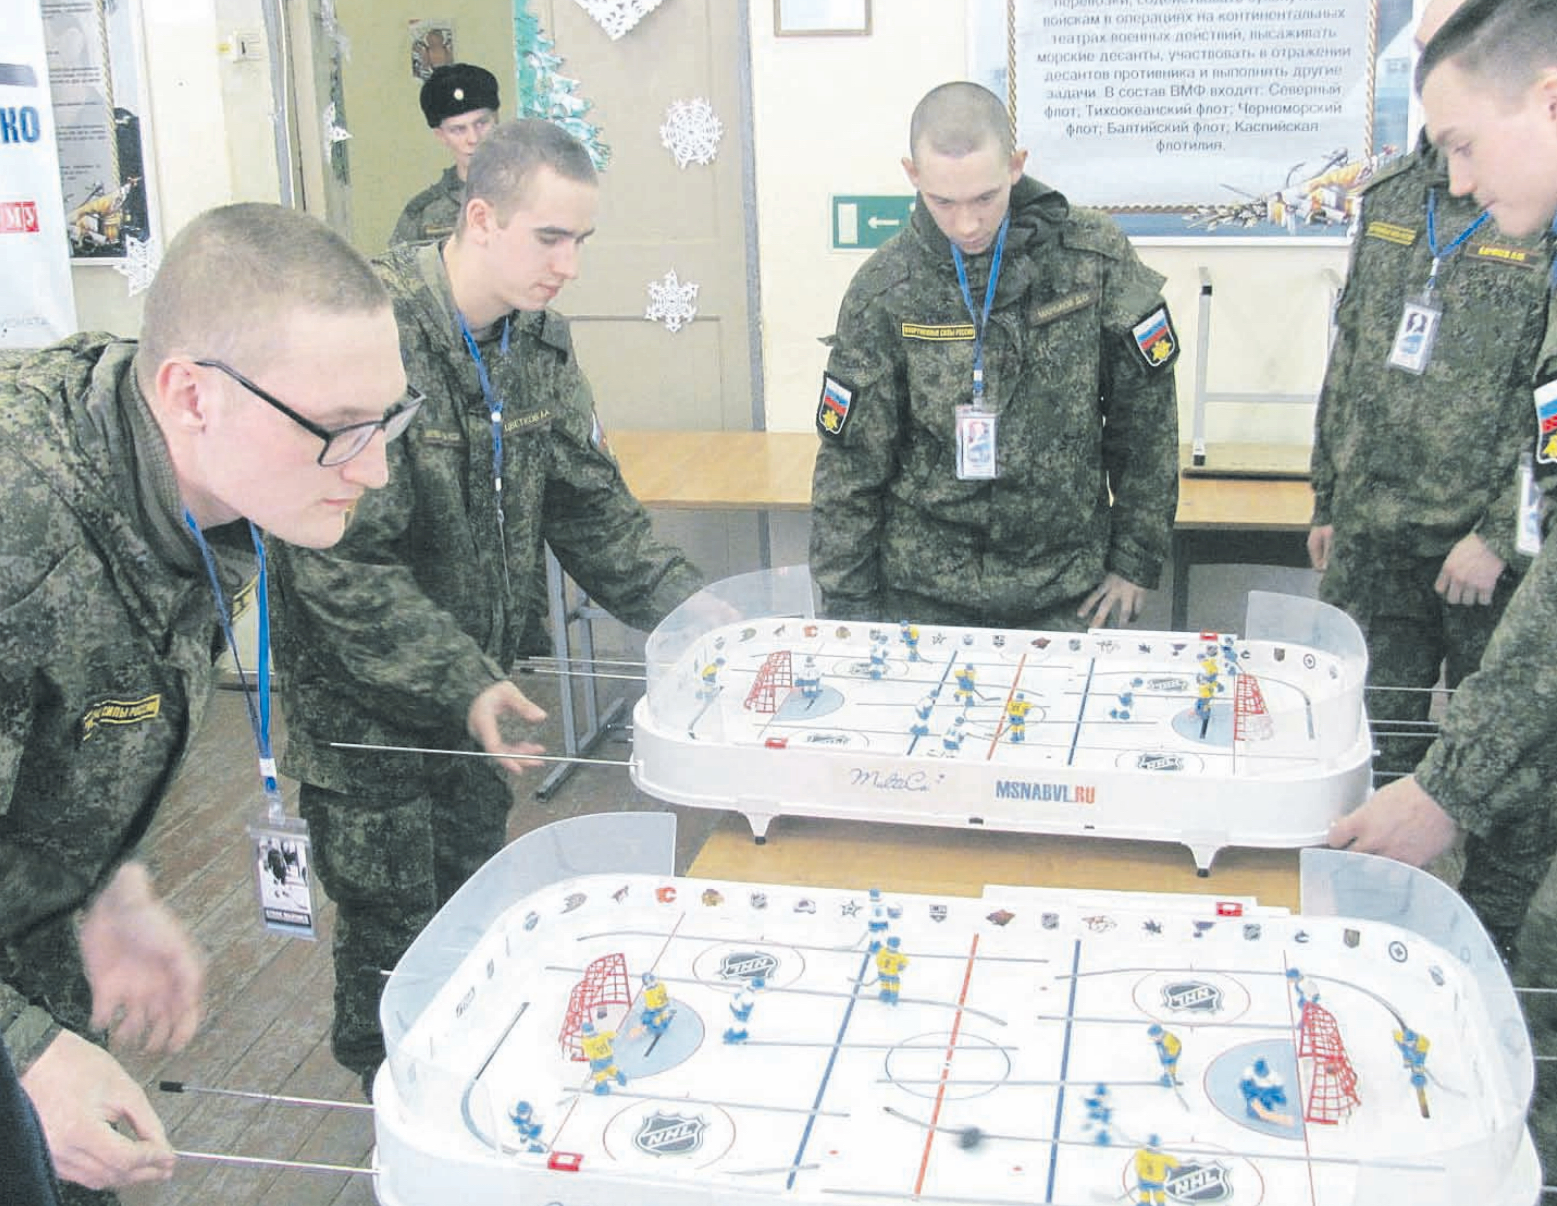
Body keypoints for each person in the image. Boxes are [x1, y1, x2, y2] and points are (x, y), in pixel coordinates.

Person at [270, 118, 706, 1097]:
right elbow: (337, 565)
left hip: (482, 716)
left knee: (470, 923)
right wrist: (464, 679)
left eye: (583, 242)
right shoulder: (363, 337)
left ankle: (456, 1110)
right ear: (480, 216)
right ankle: (395, 1122)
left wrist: (700, 618)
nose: (571, 266)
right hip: (371, 724)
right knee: (389, 947)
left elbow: (595, 514)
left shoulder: (540, 348)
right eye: (552, 238)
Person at [0, 203, 409, 1204]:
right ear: (192, 394)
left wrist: (107, 883)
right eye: (342, 432)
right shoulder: (20, 528)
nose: (376, 468)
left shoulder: (193, 475)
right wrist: (22, 1055)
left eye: (391, 419)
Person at [1327, 0, 1557, 1166]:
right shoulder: (1392, 209)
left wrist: (1451, 786)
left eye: (1466, 141)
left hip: (1481, 559)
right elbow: (1350, 361)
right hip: (1379, 528)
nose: (1454, 178)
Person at [809, 81, 1179, 631]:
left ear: (1015, 164)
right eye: (943, 201)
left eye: (985, 198)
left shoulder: (1091, 259)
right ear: (913, 175)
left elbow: (1145, 421)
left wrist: (1135, 560)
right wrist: (850, 613)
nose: (967, 224)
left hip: (1066, 592)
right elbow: (850, 470)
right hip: (923, 598)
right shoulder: (886, 289)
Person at [391, 63, 500, 248]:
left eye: (481, 123)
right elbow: (394, 274)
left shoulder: (530, 192)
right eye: (458, 130)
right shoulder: (422, 214)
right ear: (441, 135)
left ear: (496, 119)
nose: (473, 138)